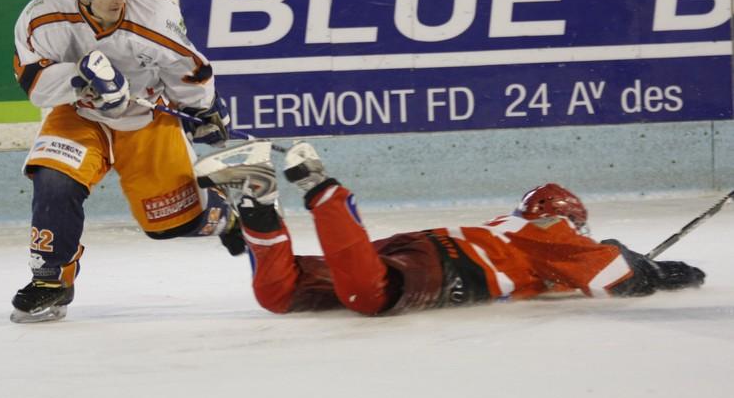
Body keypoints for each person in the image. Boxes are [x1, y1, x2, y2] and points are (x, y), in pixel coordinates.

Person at [9, 0, 240, 323]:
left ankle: (224, 214)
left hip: (147, 117)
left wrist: (204, 111)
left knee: (169, 226)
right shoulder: (42, 17)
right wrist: (83, 79)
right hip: (80, 114)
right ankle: (51, 281)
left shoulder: (154, 15)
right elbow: (34, 83)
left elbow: (189, 70)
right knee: (54, 180)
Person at [196, 141, 706, 315]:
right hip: (446, 268)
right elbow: (617, 279)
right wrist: (656, 269)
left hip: (418, 247)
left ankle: (258, 198)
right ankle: (320, 186)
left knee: (281, 294)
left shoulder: (507, 226)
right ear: (567, 218)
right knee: (367, 296)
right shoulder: (554, 235)